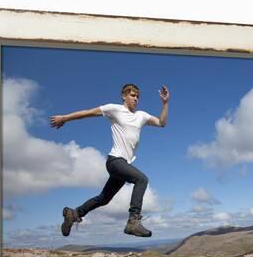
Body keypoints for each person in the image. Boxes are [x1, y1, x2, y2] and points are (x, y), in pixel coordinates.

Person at [50, 83, 170, 238]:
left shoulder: (141, 116)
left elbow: (162, 123)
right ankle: (133, 221)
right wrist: (64, 118)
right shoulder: (114, 109)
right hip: (115, 161)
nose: (136, 99)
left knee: (104, 199)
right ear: (124, 96)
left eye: (138, 96)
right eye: (133, 95)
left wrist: (165, 104)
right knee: (141, 179)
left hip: (124, 164)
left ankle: (74, 214)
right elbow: (89, 112)